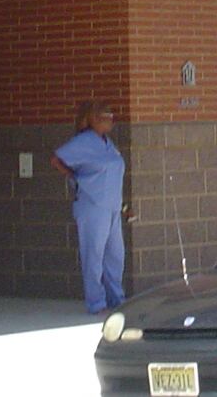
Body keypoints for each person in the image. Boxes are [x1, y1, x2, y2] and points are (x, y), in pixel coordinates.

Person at [51, 100, 127, 314]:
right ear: (94, 119)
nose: (111, 120)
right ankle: (96, 302)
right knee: (94, 254)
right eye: (106, 116)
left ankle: (116, 299)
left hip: (112, 206)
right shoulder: (83, 141)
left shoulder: (108, 143)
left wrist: (124, 206)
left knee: (115, 255)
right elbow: (56, 159)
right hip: (92, 205)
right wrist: (74, 177)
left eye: (111, 116)